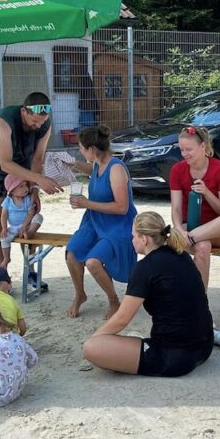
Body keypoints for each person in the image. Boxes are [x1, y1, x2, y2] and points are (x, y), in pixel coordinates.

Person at [83, 212, 214, 377]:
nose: (132, 240)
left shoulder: (145, 268)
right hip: (205, 345)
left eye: (134, 236)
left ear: (144, 239)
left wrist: (97, 337)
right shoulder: (182, 254)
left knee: (92, 348)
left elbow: (122, 318)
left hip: (175, 356)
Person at [64, 125, 137, 319]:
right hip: (94, 220)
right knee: (72, 253)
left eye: (81, 148)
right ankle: (80, 294)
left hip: (118, 225)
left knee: (93, 262)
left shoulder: (116, 169)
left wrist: (86, 203)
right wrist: (74, 163)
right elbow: (93, 169)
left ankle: (113, 300)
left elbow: (122, 208)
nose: (80, 151)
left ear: (92, 149)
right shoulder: (98, 162)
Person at [0, 92, 62, 265]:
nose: (38, 126)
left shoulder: (45, 125)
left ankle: (29, 270)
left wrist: (35, 189)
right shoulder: (4, 119)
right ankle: (1, 271)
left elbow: (37, 159)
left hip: (24, 168)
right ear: (24, 111)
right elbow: (5, 163)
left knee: (27, 220)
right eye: (35, 121)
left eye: (42, 122)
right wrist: (40, 179)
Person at [169, 125, 220, 288]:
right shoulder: (177, 170)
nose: (184, 154)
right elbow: (176, 209)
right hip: (189, 228)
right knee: (202, 247)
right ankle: (199, 299)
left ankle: (192, 238)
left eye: (189, 149)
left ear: (203, 146)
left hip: (217, 230)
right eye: (182, 150)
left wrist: (207, 193)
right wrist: (179, 230)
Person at [0, 173, 44, 281]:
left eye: (26, 185)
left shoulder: (28, 199)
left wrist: (25, 226)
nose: (26, 188)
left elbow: (31, 213)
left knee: (38, 217)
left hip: (27, 226)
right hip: (14, 227)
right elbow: (3, 215)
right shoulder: (7, 201)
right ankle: (6, 258)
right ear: (12, 190)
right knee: (4, 238)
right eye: (21, 186)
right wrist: (4, 228)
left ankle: (30, 232)